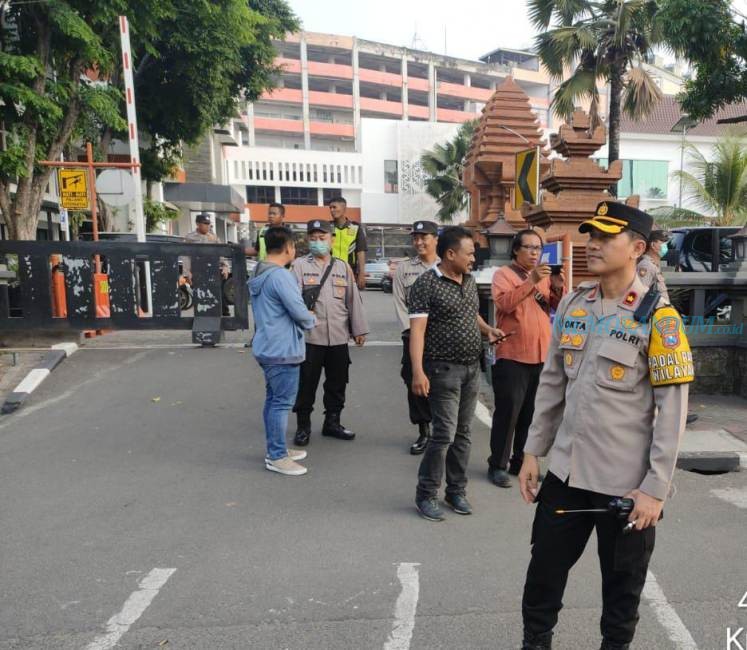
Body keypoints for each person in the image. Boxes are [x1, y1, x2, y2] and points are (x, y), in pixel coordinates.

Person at [518, 201, 693, 650]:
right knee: (542, 578)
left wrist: (655, 488)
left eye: (604, 238)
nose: (592, 245)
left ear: (636, 248)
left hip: (625, 487)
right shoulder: (575, 305)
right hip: (565, 474)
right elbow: (552, 385)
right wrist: (532, 452)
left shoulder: (660, 319)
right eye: (590, 236)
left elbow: (671, 411)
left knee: (621, 592)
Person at [408, 226, 505, 522]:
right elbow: (417, 332)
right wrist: (417, 372)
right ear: (451, 254)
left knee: (464, 435)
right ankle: (426, 493)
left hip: (471, 369)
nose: (474, 258)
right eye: (470, 253)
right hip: (442, 370)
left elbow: (470, 311)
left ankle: (456, 490)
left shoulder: (469, 280)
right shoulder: (426, 285)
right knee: (444, 435)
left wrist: (487, 330)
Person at [488, 229, 566, 488]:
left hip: (540, 354)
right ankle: (497, 464)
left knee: (532, 414)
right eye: (529, 248)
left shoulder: (542, 276)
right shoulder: (503, 275)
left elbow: (555, 307)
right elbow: (505, 304)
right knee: (508, 413)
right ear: (516, 250)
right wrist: (531, 280)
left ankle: (520, 461)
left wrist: (556, 287)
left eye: (538, 248)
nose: (534, 253)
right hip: (513, 354)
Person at [291, 219, 369, 446]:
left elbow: (352, 300)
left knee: (337, 383)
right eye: (313, 238)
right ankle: (303, 426)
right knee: (307, 384)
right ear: (307, 240)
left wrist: (359, 329)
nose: (317, 242)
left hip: (338, 337)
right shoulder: (299, 266)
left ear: (332, 240)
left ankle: (332, 422)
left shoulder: (342, 267)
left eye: (322, 238)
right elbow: (293, 302)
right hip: (310, 338)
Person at [249, 226, 316, 476]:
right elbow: (299, 312)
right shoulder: (280, 276)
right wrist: (311, 318)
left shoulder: (259, 271)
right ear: (288, 247)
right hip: (282, 349)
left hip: (267, 346)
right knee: (280, 403)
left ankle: (275, 449)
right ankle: (277, 456)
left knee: (273, 401)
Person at [392, 221, 439, 455]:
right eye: (416, 238)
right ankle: (424, 430)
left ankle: (443, 430)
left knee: (442, 381)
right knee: (414, 379)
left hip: (443, 336)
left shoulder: (448, 265)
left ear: (436, 238)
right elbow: (400, 303)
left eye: (424, 237)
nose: (419, 242)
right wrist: (410, 331)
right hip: (413, 335)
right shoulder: (404, 269)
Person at [328, 196, 367, 291]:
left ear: (344, 208)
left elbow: (360, 251)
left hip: (350, 272)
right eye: (330, 208)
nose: (332, 210)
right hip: (329, 271)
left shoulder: (355, 227)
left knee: (350, 302)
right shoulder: (327, 227)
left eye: (334, 207)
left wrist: (362, 273)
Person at [637, 228, 670, 302]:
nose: (666, 246)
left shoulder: (653, 264)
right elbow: (640, 295)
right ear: (652, 245)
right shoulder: (646, 266)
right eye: (663, 242)